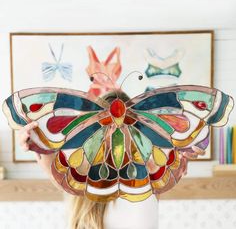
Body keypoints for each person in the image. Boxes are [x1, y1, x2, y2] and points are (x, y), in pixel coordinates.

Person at [18, 91, 205, 229]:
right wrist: (31, 137)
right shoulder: (79, 177)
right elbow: (44, 153)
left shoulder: (147, 174)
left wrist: (186, 150)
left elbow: (177, 154)